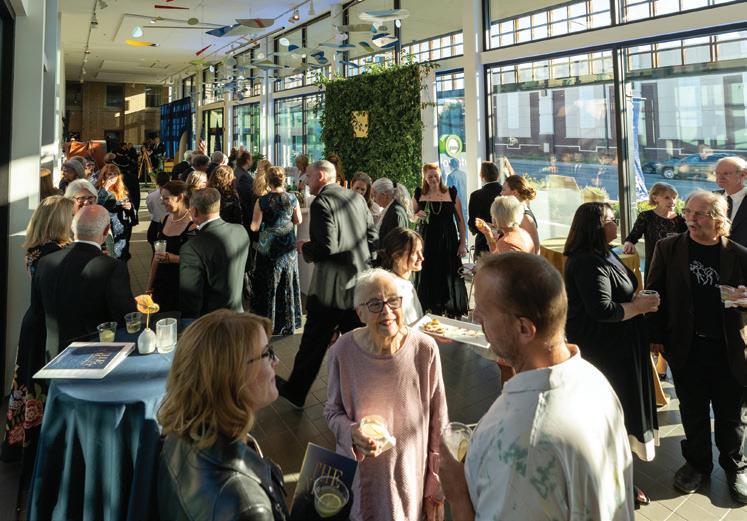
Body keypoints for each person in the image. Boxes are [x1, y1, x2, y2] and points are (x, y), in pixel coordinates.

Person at [440, 253, 634, 520]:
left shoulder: (522, 444)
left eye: (483, 311)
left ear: (524, 329)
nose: (476, 319)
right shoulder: (594, 380)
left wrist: (458, 496)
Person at [647, 190, 747, 503]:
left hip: (728, 348)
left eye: (699, 214)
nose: (690, 219)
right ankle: (697, 464)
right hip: (685, 346)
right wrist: (655, 337)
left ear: (718, 220)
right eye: (688, 212)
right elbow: (654, 292)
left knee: (731, 414)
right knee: (692, 410)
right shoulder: (668, 248)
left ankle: (735, 466)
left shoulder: (740, 254)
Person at [325, 269, 447, 521]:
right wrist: (351, 432)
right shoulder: (342, 352)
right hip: (363, 478)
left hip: (409, 476)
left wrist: (435, 481)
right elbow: (332, 411)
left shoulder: (425, 349)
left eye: (393, 301)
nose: (387, 311)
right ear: (359, 313)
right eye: (375, 304)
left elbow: (440, 421)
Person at [563, 202, 660, 507]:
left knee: (620, 414)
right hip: (605, 353)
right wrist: (638, 307)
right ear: (595, 226)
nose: (615, 224)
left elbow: (616, 292)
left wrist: (635, 297)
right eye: (610, 219)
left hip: (621, 347)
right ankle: (614, 482)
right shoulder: (587, 261)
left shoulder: (606, 253)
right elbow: (602, 310)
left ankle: (622, 477)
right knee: (609, 416)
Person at [157, 310, 290, 521]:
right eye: (267, 353)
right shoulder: (246, 507)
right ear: (232, 376)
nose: (277, 361)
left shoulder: (179, 431)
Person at [278, 160, 377, 409]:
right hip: (357, 285)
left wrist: (304, 247)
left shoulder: (322, 202)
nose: (305, 181)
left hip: (329, 289)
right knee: (359, 342)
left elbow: (326, 247)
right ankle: (369, 392)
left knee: (313, 341)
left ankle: (296, 391)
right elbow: (372, 238)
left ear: (321, 176)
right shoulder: (356, 198)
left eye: (309, 176)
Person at [2, 196, 74, 482]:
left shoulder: (35, 249)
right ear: (60, 221)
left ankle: (24, 442)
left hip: (33, 322)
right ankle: (43, 449)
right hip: (47, 326)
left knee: (28, 384)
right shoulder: (56, 253)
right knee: (41, 384)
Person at [21, 204, 135, 357]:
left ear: (73, 228)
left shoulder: (45, 262)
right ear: (106, 230)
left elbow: (37, 310)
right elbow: (125, 316)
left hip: (52, 352)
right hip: (93, 352)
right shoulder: (113, 267)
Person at [179, 188, 250, 318]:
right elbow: (247, 267)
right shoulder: (241, 230)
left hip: (212, 320)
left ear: (194, 211)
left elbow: (190, 296)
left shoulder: (192, 247)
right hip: (238, 312)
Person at [250, 166, 302, 336]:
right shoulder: (292, 198)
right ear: (283, 180)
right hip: (288, 245)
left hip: (269, 245)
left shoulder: (262, 201)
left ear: (267, 181)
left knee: (268, 280)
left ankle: (268, 322)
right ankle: (288, 321)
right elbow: (298, 220)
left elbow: (254, 227)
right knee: (288, 279)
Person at [413, 163, 468, 318]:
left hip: (448, 241)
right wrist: (416, 215)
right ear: (425, 178)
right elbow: (412, 216)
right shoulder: (418, 193)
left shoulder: (451, 193)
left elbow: (460, 220)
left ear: (440, 176)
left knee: (448, 273)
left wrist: (462, 243)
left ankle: (448, 309)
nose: (433, 179)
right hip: (427, 242)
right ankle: (431, 308)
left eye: (436, 175)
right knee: (429, 274)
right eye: (430, 176)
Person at [146, 181, 195, 313]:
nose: (162, 202)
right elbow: (156, 256)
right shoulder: (164, 219)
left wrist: (173, 258)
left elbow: (196, 260)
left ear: (179, 197)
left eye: (166, 198)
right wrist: (149, 286)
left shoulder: (192, 225)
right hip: (161, 283)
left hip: (181, 285)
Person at [379, 228, 424, 325]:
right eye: (414, 253)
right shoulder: (392, 288)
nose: (421, 257)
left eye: (421, 251)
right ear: (396, 256)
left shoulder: (405, 283)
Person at [95, 164, 136, 261]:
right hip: (105, 229)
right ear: (104, 175)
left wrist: (130, 207)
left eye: (115, 174)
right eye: (110, 174)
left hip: (121, 229)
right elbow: (97, 206)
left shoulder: (122, 189)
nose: (113, 177)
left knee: (122, 257)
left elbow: (131, 208)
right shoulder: (98, 188)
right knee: (108, 257)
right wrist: (105, 188)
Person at [468, 161, 503, 258]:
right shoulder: (505, 192)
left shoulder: (476, 195)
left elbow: (473, 223)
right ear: (498, 175)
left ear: (481, 176)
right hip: (503, 241)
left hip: (483, 242)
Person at [502, 174, 540, 253]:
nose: (501, 193)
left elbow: (535, 250)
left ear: (514, 192)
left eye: (504, 190)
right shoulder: (517, 212)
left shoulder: (525, 217)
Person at [714, 156, 747, 247]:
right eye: (717, 173)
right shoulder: (711, 197)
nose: (720, 177)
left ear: (743, 174)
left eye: (726, 173)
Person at [146, 171, 171, 250]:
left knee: (155, 246)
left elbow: (150, 210)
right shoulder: (173, 195)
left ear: (157, 181)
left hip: (155, 222)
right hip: (169, 222)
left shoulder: (151, 196)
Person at [446, 157, 468, 240]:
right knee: (464, 221)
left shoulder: (451, 176)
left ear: (451, 165)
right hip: (465, 201)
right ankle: (466, 239)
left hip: (455, 203)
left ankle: (460, 240)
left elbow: (448, 191)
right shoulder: (464, 174)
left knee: (456, 223)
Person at [234, 151, 255, 230]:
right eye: (251, 159)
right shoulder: (243, 176)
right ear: (247, 160)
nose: (252, 161)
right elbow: (247, 196)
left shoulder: (238, 171)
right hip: (246, 212)